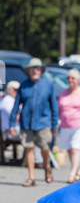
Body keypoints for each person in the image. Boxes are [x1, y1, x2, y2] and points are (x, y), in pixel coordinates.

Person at [9, 58, 58, 187]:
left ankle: (46, 166)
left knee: (44, 147)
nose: (34, 70)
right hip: (27, 122)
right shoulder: (24, 85)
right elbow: (16, 105)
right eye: (32, 68)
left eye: (37, 68)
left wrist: (54, 125)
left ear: (41, 70)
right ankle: (31, 177)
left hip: (43, 121)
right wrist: (12, 123)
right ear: (28, 71)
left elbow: (54, 106)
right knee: (28, 148)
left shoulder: (48, 84)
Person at [57, 68, 80, 184]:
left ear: (78, 80)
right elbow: (59, 109)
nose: (70, 80)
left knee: (75, 147)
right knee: (68, 149)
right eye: (68, 78)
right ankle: (77, 171)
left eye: (72, 78)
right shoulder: (64, 92)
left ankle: (72, 174)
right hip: (65, 125)